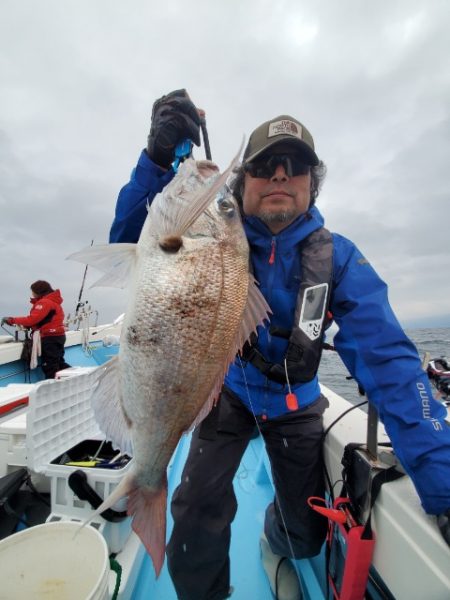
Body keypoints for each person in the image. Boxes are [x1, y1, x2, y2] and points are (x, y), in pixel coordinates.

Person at [109, 89, 450, 600]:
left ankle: (276, 541)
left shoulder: (337, 258)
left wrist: (442, 481)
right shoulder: (214, 236)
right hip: (226, 392)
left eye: (296, 167)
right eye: (266, 165)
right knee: (196, 509)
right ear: (243, 182)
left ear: (313, 186)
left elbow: (389, 362)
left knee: (305, 526)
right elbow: (134, 239)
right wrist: (157, 161)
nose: (281, 175)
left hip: (297, 402)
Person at [1, 280, 70, 379]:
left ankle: (53, 389)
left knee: (50, 367)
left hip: (49, 339)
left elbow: (32, 319)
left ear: (38, 291)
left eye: (33, 291)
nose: (32, 294)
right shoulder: (53, 302)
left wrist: (11, 320)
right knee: (59, 362)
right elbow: (46, 320)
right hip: (58, 337)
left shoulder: (44, 302)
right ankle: (77, 377)